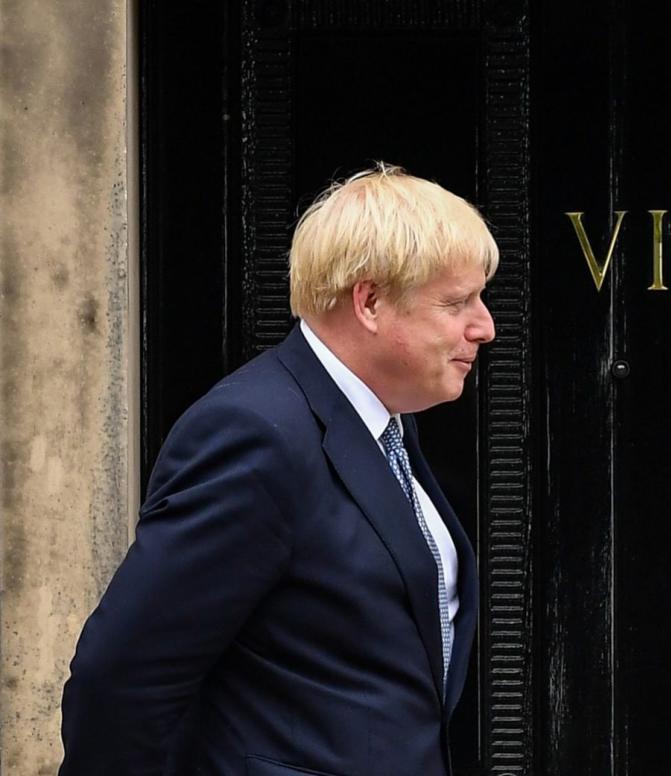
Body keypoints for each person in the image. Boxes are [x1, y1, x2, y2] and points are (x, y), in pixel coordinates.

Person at [60, 163, 497, 775]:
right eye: (456, 303)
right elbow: (121, 679)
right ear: (369, 301)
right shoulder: (256, 434)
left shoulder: (387, 422)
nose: (485, 326)